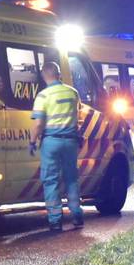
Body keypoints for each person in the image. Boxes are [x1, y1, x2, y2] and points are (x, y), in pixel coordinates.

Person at [31, 61, 83, 231]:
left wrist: (32, 141)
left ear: (43, 76)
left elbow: (38, 124)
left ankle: (55, 220)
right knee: (71, 179)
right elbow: (78, 117)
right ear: (59, 74)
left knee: (50, 180)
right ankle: (77, 214)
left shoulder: (43, 96)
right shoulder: (73, 93)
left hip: (51, 142)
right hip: (71, 141)